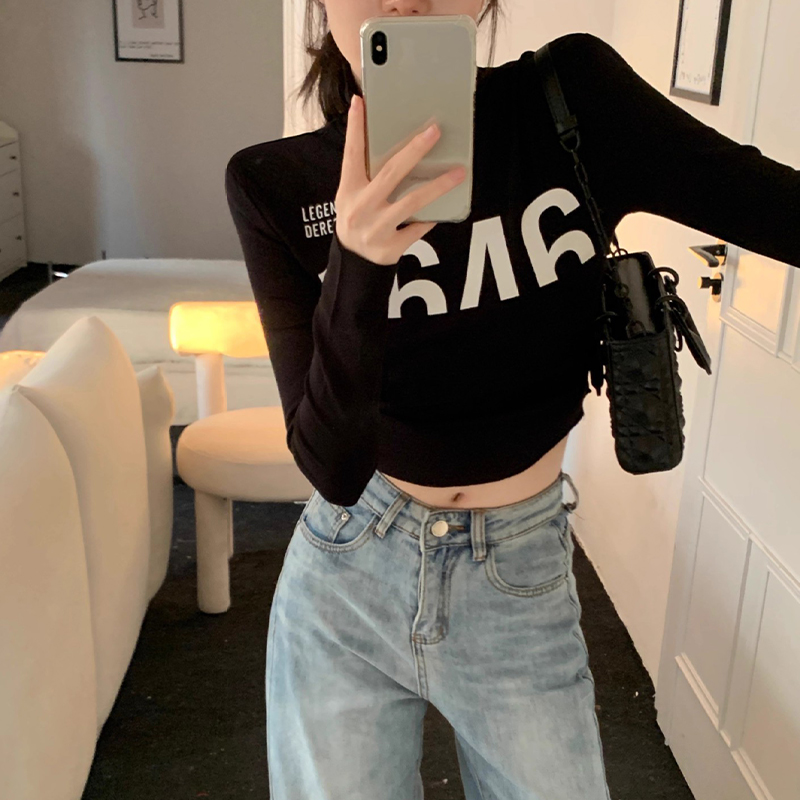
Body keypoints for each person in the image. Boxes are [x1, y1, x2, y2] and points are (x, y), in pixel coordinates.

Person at [224, 2, 800, 797]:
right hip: (347, 575)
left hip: (519, 573)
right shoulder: (273, 184)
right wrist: (358, 260)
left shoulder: (573, 101)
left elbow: (776, 207)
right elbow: (333, 468)